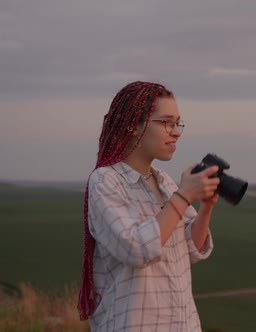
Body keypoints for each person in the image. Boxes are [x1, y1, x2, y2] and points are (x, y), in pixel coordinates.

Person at [77, 81, 220, 331]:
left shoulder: (164, 181)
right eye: (167, 122)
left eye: (178, 123)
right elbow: (136, 249)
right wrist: (184, 195)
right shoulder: (106, 181)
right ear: (134, 125)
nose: (176, 132)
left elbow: (191, 249)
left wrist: (206, 207)